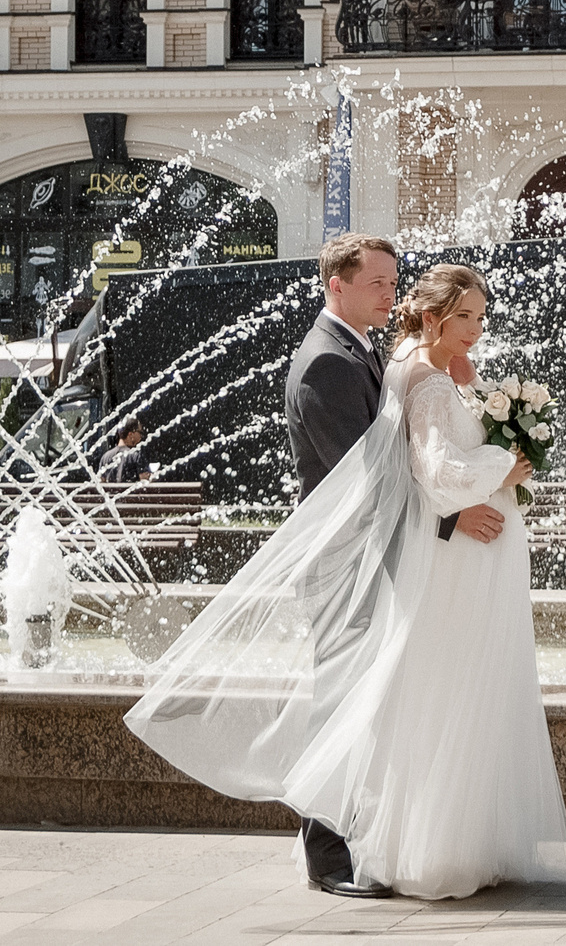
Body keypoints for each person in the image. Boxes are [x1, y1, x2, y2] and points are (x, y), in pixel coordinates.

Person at [124, 234, 529, 903]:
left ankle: (362, 837)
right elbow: (364, 482)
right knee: (339, 704)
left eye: (393, 280)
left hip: (375, 557)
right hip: (346, 564)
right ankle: (325, 853)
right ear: (336, 285)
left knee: (367, 702)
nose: (390, 292)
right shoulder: (325, 364)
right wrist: (451, 517)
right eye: (377, 282)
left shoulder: (362, 350)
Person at [352, 262, 566, 898]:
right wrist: (506, 466)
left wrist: (479, 391)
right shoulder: (423, 377)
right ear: (431, 316)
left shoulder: (433, 365)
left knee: (470, 684)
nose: (475, 329)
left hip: (473, 551)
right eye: (463, 318)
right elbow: (435, 470)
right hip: (460, 558)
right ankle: (441, 851)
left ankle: (469, 839)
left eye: (480, 317)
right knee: (457, 686)